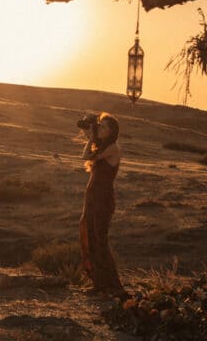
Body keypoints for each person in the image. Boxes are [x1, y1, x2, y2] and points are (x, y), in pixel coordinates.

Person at [78, 112, 126, 297]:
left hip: (103, 199)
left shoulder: (113, 148)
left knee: (100, 239)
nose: (101, 129)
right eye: (101, 125)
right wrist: (91, 137)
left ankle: (112, 285)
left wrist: (91, 137)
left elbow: (87, 157)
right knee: (90, 235)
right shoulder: (102, 146)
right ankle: (99, 283)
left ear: (112, 131)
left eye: (104, 127)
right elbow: (85, 155)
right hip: (92, 197)